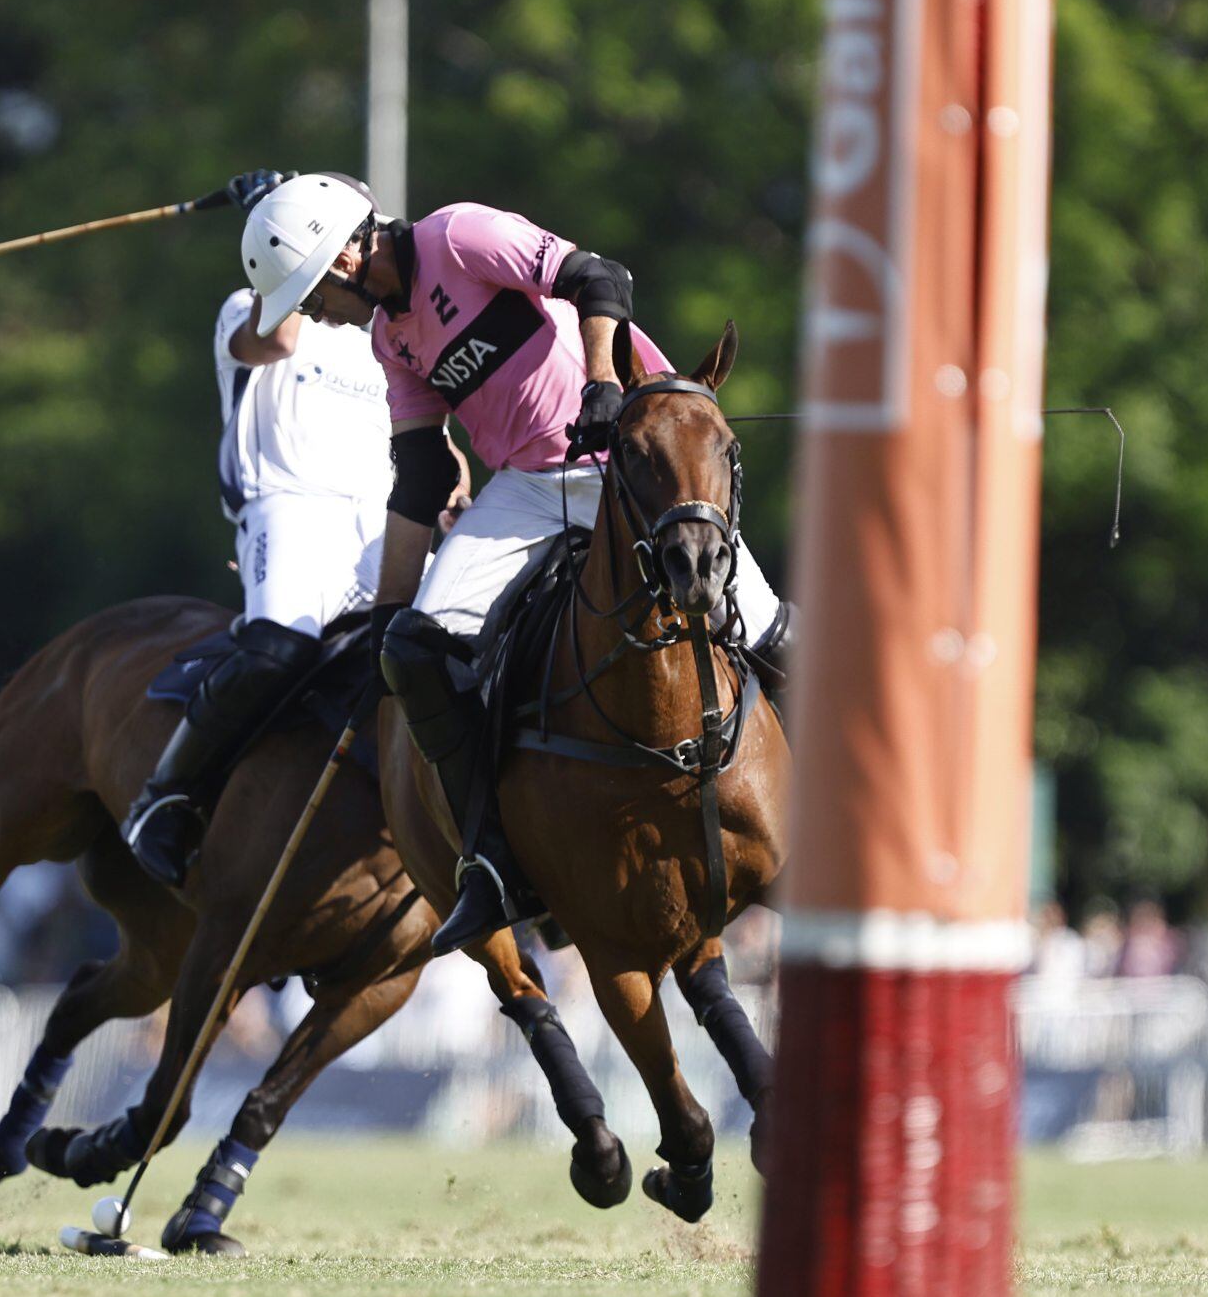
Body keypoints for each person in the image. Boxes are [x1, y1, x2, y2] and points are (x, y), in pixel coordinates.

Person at [238, 174, 794, 953]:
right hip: (530, 485)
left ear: (341, 262)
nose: (317, 314)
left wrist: (602, 384)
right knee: (413, 651)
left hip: (635, 454)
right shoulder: (390, 338)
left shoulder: (456, 235)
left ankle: (848, 806)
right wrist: (388, 614)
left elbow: (598, 276)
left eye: (310, 297)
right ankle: (493, 860)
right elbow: (422, 475)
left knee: (771, 633)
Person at [120, 172, 401, 886]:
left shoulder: (390, 333)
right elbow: (273, 340)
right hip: (289, 505)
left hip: (382, 514)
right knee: (279, 648)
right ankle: (167, 798)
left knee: (459, 644)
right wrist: (282, 252)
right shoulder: (247, 309)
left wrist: (456, 485)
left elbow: (429, 433)